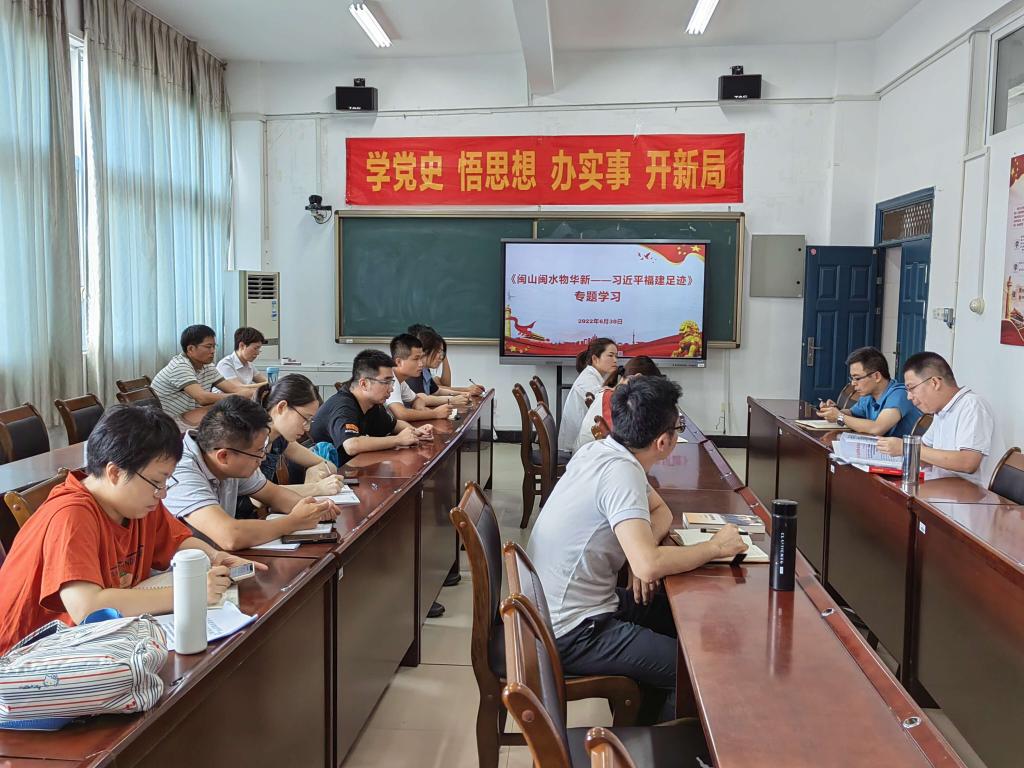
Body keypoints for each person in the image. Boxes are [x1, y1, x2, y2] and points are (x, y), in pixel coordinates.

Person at [527, 376, 746, 724]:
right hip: (571, 631)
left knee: (673, 613)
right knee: (694, 669)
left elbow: (662, 512)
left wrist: (642, 553)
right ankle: (655, 744)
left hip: (558, 609)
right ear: (664, 442)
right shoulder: (621, 474)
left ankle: (645, 713)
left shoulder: (603, 451)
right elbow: (647, 566)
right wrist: (715, 547)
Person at [0, 405, 266, 655]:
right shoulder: (71, 515)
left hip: (94, 642)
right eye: (157, 481)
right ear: (115, 473)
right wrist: (190, 593)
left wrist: (215, 556)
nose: (162, 493)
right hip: (26, 658)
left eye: (166, 481)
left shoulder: (136, 503)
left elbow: (177, 541)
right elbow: (87, 607)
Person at [163, 396, 339, 551]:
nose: (263, 458)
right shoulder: (181, 470)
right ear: (224, 456)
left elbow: (275, 495)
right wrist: (293, 522)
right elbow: (230, 536)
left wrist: (315, 509)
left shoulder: (232, 456)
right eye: (258, 452)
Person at [878, 352, 997, 483]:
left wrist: (908, 448)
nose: (909, 397)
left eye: (911, 388)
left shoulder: (972, 405)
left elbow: (968, 463)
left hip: (970, 492)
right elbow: (924, 454)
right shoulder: (941, 411)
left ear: (934, 383)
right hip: (944, 486)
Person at [309, 349, 434, 465]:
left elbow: (394, 425)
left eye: (391, 382)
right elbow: (352, 445)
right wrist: (398, 439)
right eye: (386, 382)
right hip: (328, 473)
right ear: (364, 384)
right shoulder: (343, 406)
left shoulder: (371, 403)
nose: (391, 389)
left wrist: (415, 432)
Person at [151, 324, 262, 426]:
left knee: (237, 413)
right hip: (170, 423)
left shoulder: (207, 366)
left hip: (190, 415)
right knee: (232, 416)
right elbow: (202, 398)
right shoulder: (180, 366)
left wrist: (258, 391)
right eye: (208, 347)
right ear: (190, 349)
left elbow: (233, 388)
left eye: (214, 346)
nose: (213, 351)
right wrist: (239, 396)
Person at [255, 374, 344, 498]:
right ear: (282, 407)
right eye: (305, 418)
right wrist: (316, 488)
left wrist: (313, 471)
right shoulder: (250, 437)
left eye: (310, 420)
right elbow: (258, 494)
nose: (307, 428)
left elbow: (327, 465)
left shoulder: (280, 439)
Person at [816, 347, 921, 437]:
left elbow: (877, 428)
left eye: (857, 378)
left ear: (877, 376)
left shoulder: (900, 394)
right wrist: (833, 411)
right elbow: (852, 414)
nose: (853, 383)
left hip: (906, 453)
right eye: (852, 378)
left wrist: (839, 416)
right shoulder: (868, 396)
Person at [575, 356, 663, 451]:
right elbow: (622, 441)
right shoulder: (611, 399)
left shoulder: (614, 395)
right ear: (637, 378)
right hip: (592, 456)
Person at [386, 333, 468, 422]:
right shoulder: (389, 379)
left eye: (421, 358)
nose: (421, 364)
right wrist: (435, 413)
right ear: (399, 362)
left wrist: (421, 409)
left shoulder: (401, 381)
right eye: (416, 359)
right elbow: (401, 414)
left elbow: (417, 399)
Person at [557, 337, 619, 453]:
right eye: (610, 356)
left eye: (616, 356)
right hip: (575, 449)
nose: (615, 360)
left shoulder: (594, 377)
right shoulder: (588, 381)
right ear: (595, 359)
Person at [407, 326, 485, 398]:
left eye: (441, 352)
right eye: (437, 351)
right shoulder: (413, 372)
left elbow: (437, 390)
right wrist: (460, 394)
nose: (441, 356)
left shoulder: (425, 370)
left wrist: (464, 393)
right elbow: (423, 399)